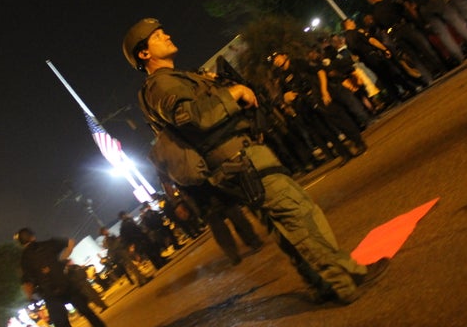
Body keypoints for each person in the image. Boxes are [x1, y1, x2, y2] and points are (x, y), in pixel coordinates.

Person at [121, 18, 389, 304]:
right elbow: (193, 117)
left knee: (282, 225)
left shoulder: (176, 79)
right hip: (239, 158)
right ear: (144, 54)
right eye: (158, 36)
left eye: (165, 31)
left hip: (238, 159)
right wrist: (232, 93)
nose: (167, 36)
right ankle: (345, 278)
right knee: (297, 213)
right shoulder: (160, 84)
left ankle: (321, 283)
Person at [15, 228, 114, 327]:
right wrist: (62, 259)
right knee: (87, 312)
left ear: (21, 243)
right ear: (32, 237)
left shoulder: (24, 260)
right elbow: (70, 242)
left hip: (50, 293)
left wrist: (29, 296)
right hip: (66, 284)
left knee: (61, 324)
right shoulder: (49, 244)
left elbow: (27, 283)